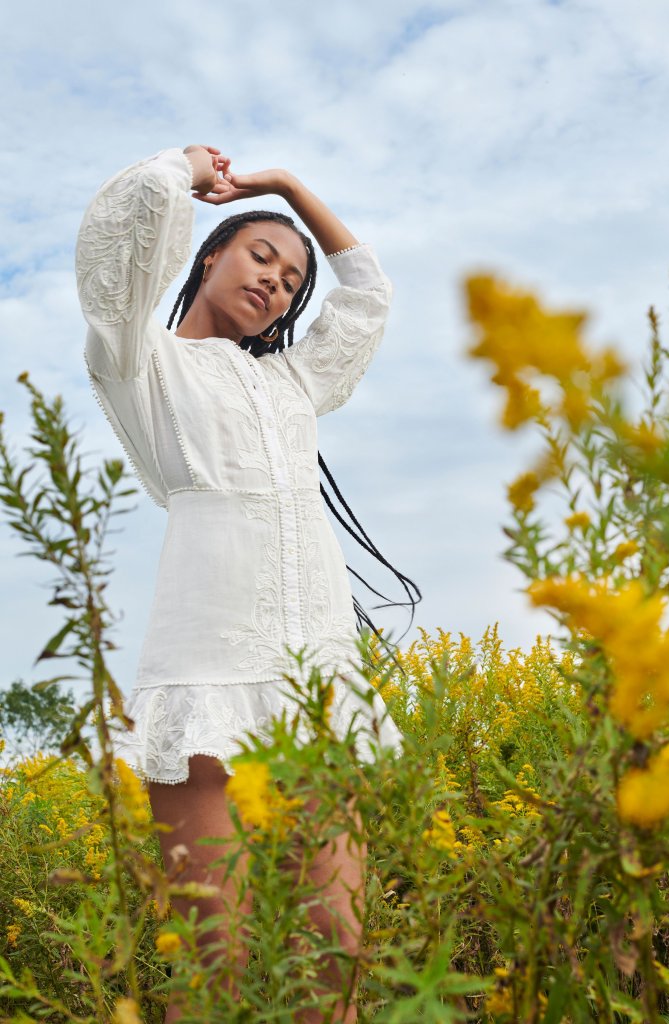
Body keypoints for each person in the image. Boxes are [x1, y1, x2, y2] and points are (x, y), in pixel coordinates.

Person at [76, 143, 410, 1022]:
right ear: (209, 254)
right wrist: (184, 168)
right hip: (205, 665)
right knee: (215, 960)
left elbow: (367, 297)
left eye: (294, 280)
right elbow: (119, 243)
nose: (280, 283)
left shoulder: (294, 380)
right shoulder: (139, 360)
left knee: (336, 946)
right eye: (262, 254)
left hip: (316, 677)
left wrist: (294, 189)